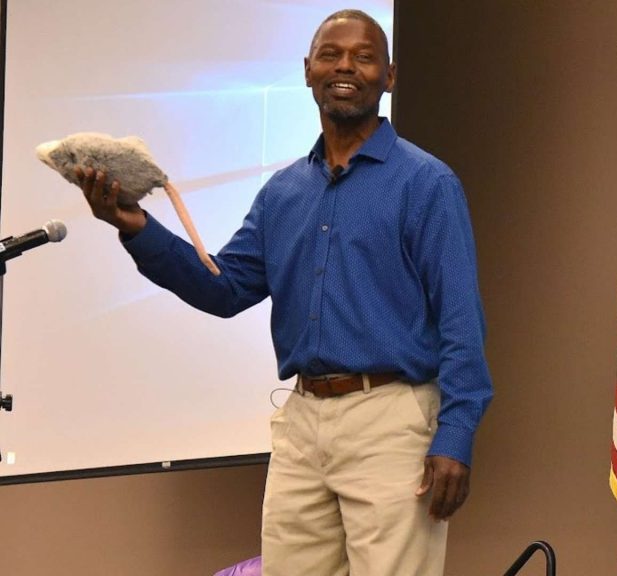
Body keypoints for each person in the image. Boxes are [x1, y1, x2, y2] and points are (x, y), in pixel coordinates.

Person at [74, 9, 492, 576]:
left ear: (389, 76)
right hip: (301, 422)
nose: (345, 66)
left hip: (392, 421)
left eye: (364, 57)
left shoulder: (428, 184)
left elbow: (462, 323)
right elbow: (226, 290)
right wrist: (135, 225)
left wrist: (457, 435)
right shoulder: (282, 192)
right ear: (307, 71)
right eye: (330, 54)